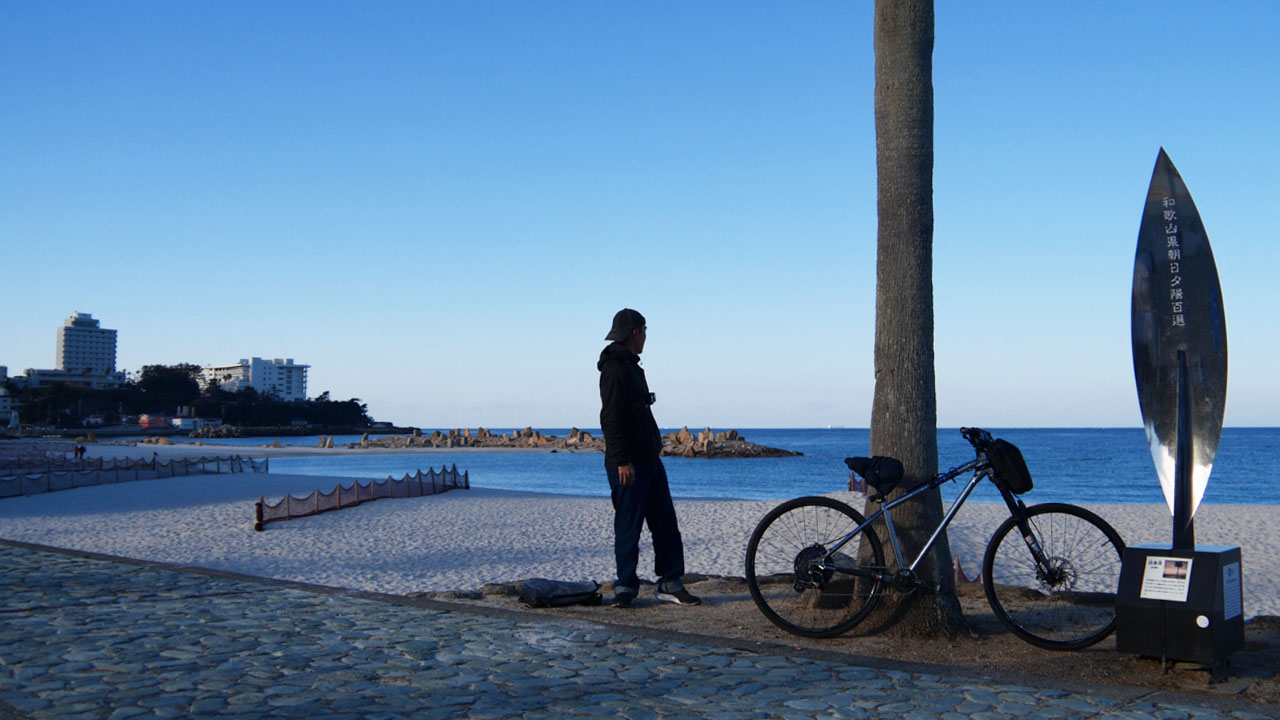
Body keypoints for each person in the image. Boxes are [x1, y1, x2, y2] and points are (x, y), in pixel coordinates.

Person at [597, 308, 700, 608]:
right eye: (644, 332)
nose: (646, 338)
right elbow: (610, 418)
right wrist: (621, 460)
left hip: (649, 461)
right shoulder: (615, 368)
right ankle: (626, 587)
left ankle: (669, 581)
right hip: (629, 464)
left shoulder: (630, 365)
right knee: (629, 527)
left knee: (665, 523)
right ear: (635, 333)